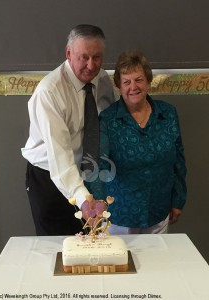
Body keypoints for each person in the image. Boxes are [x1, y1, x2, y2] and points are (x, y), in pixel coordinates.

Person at [21, 24, 115, 235]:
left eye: (97, 57)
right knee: (58, 247)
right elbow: (60, 157)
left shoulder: (102, 80)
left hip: (87, 172)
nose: (91, 65)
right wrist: (84, 201)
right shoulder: (50, 92)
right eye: (84, 57)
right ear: (68, 53)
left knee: (90, 246)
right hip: (50, 177)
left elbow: (108, 121)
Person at [94, 50, 187, 234]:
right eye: (126, 82)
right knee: (122, 263)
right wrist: (97, 206)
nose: (133, 87)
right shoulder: (108, 119)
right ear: (119, 86)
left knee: (156, 262)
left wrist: (178, 200)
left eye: (138, 79)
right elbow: (100, 164)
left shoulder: (168, 114)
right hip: (120, 216)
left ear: (148, 81)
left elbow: (178, 160)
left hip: (158, 211)